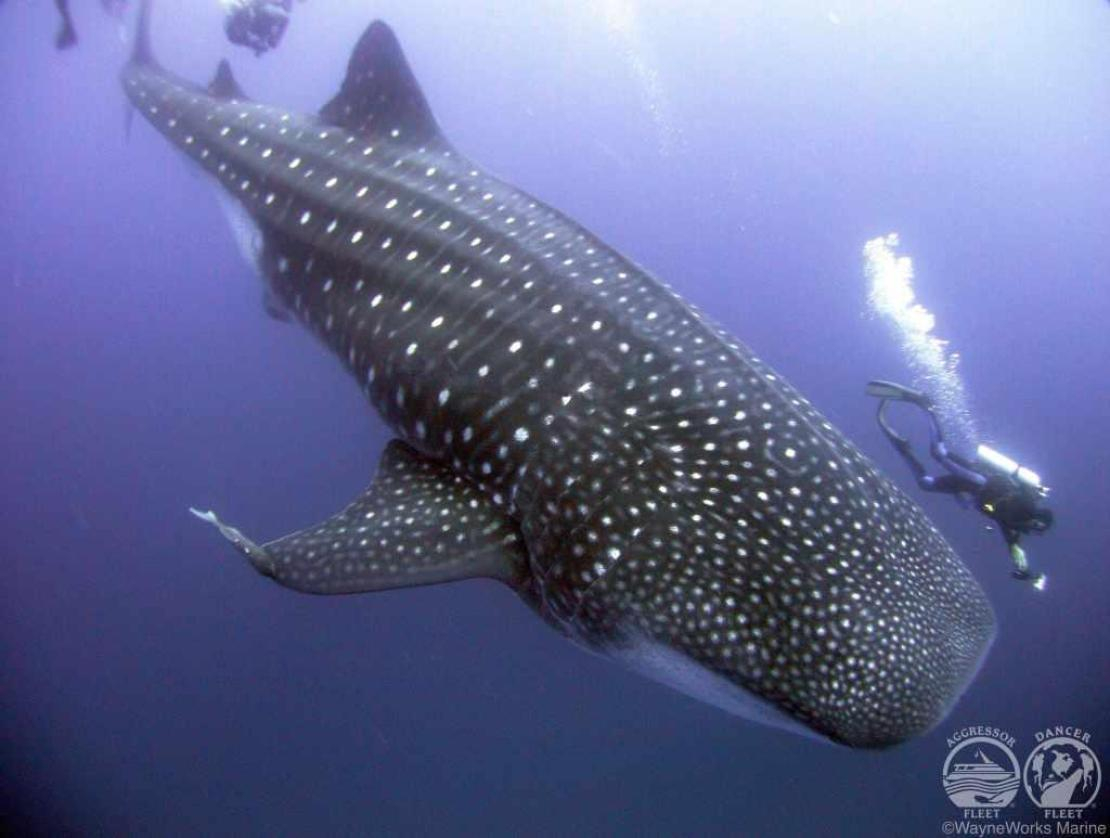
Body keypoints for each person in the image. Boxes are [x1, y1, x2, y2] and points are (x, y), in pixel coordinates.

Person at [866, 380, 1053, 589]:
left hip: (970, 491)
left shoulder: (1013, 525)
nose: (1034, 530)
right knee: (939, 454)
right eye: (1038, 527)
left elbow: (1013, 546)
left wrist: (1026, 572)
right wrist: (1033, 496)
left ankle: (901, 446)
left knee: (925, 483)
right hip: (979, 481)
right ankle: (925, 404)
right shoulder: (1026, 505)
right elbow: (1013, 506)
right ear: (1037, 519)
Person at [221, 0, 294, 56]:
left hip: (260, 15)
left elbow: (285, 19)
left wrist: (275, 39)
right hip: (257, 19)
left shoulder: (265, 11)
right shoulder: (234, 34)